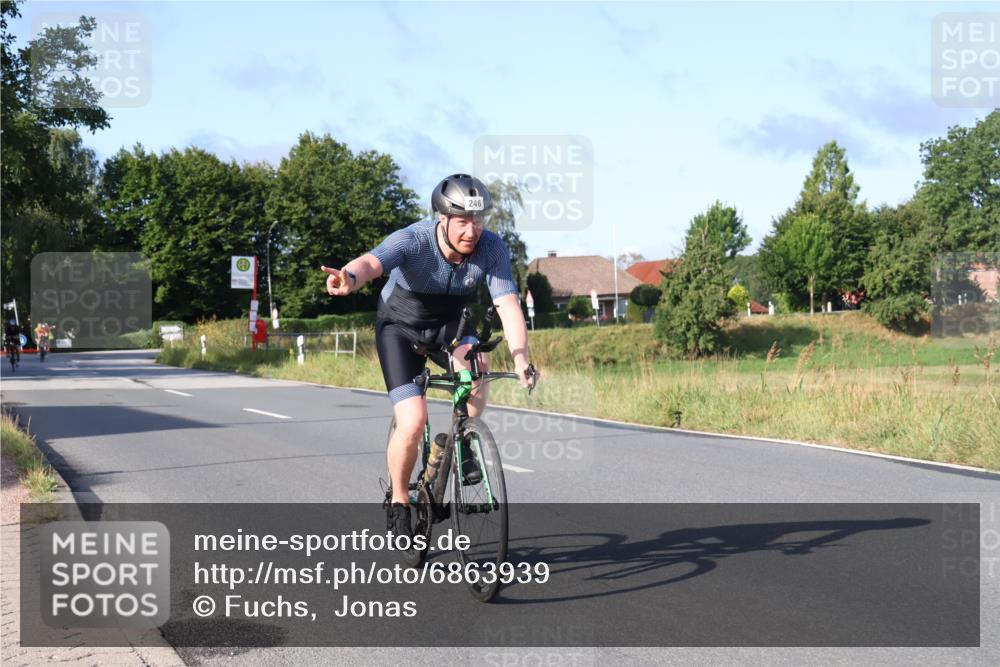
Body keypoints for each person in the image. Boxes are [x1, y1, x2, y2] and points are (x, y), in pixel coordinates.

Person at [321, 174, 539, 539]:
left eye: (479, 220)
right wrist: (350, 278)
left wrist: (520, 357)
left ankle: (463, 439)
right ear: (443, 218)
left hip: (449, 327)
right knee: (412, 421)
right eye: (463, 222)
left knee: (479, 367)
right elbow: (372, 263)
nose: (472, 230)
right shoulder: (414, 239)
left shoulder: (492, 248)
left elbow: (508, 304)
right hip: (400, 328)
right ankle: (400, 500)